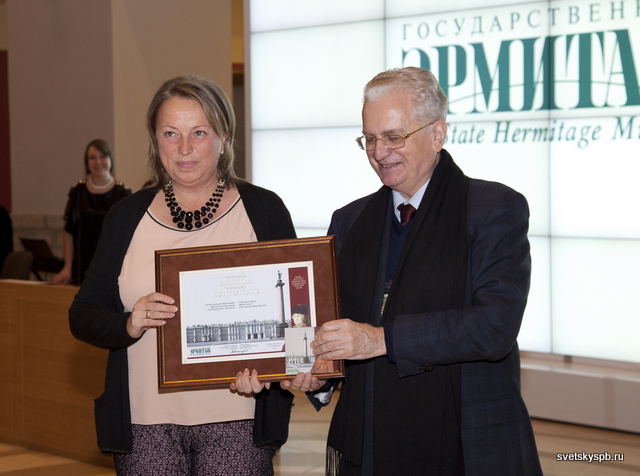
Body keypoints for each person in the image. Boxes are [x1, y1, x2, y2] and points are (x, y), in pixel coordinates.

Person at [282, 67, 543, 475]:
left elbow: (494, 327)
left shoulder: (492, 209)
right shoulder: (350, 222)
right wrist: (320, 374)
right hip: (369, 445)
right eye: (369, 139)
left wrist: (380, 340)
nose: (378, 152)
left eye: (393, 137)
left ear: (437, 134)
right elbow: (335, 328)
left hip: (468, 445)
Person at [69, 75, 296, 475]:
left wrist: (276, 370)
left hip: (239, 417)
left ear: (224, 138)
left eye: (200, 133)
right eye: (171, 133)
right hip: (144, 425)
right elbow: (82, 314)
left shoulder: (264, 210)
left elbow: (298, 317)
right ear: (155, 141)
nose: (185, 148)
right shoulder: (125, 217)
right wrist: (129, 323)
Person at [52, 139, 131, 285]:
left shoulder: (122, 193)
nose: (98, 161)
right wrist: (67, 267)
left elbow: (129, 236)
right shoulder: (78, 191)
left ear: (110, 159)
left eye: (103, 156)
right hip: (82, 266)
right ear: (86, 162)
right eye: (92, 157)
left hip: (112, 267)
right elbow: (69, 231)